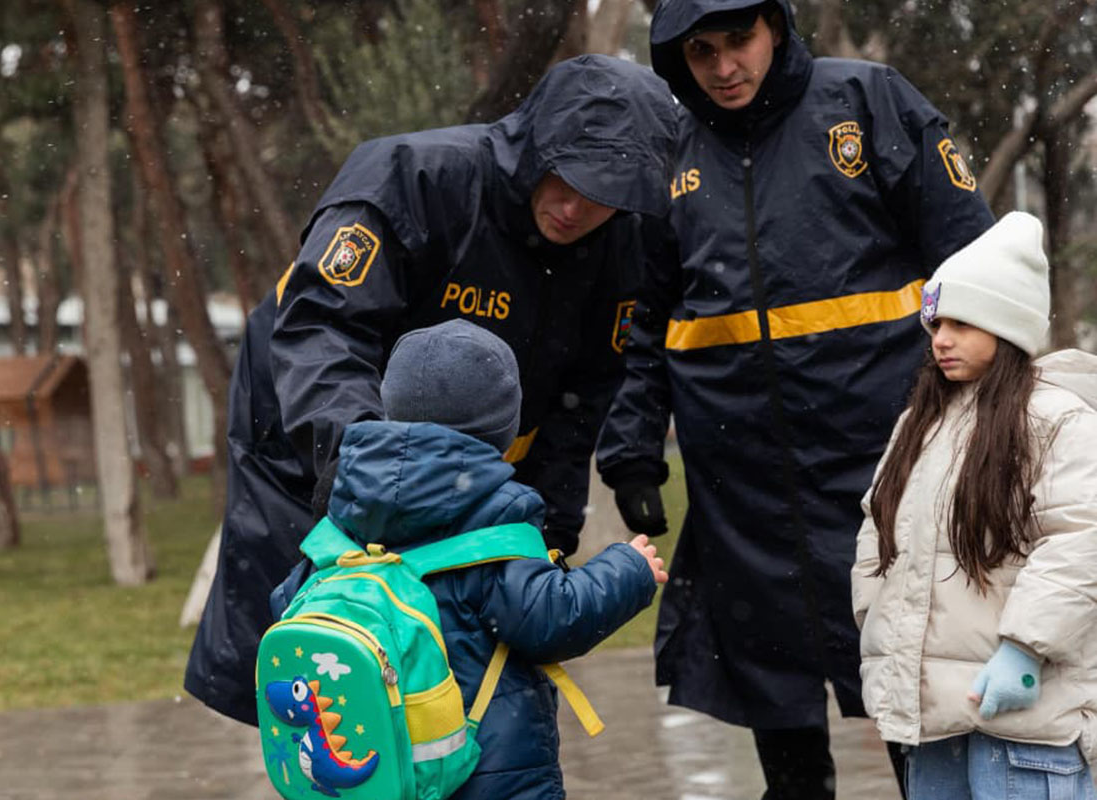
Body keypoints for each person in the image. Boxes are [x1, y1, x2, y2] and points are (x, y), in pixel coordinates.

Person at [186, 54, 679, 727]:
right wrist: (372, 486)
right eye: (566, 178)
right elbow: (323, 336)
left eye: (605, 192)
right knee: (326, 669)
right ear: (536, 142)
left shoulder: (624, 244)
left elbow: (580, 403)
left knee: (451, 677)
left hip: (473, 465)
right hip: (312, 440)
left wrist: (546, 539)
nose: (575, 206)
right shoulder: (411, 180)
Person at [596, 1, 996, 796]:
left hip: (887, 474)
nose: (723, 67)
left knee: (916, 706)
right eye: (700, 51)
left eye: (738, 40)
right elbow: (642, 319)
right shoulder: (669, 152)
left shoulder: (870, 101)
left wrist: (992, 416)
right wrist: (634, 451)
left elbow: (975, 269)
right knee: (780, 724)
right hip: (741, 493)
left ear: (775, 24)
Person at [273, 319, 667, 800]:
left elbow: (288, 604)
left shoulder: (346, 508)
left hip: (382, 776)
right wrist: (629, 569)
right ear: (504, 428)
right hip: (484, 774)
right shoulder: (492, 519)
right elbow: (552, 618)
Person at [851, 212, 1097, 799]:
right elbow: (876, 529)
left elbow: (1080, 539)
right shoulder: (922, 424)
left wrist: (1025, 649)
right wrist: (876, 623)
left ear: (1006, 325)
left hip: (1024, 729)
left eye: (962, 323)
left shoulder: (1056, 420)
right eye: (936, 323)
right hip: (933, 723)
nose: (940, 338)